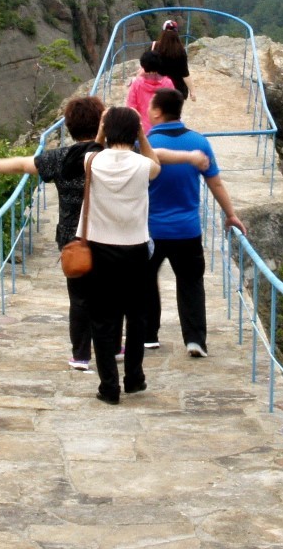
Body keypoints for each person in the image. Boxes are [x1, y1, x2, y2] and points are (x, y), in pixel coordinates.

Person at [0, 94, 105, 370]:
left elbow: (21, 164)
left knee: (79, 298)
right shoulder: (111, 156)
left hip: (71, 236)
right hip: (108, 234)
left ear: (69, 127)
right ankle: (112, 346)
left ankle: (81, 356)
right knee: (108, 293)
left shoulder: (58, 158)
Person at [78, 106, 205, 403]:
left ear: (107, 131)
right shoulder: (142, 165)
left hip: (99, 249)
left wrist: (101, 130)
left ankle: (109, 387)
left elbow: (92, 149)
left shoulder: (91, 161)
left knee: (102, 319)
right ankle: (134, 378)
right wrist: (141, 137)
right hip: (135, 250)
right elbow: (156, 163)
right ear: (135, 131)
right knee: (136, 316)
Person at [134, 87, 242, 358]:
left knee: (145, 280)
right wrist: (230, 214)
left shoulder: (143, 144)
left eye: (150, 106)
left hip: (150, 230)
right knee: (191, 282)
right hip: (187, 230)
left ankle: (148, 336)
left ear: (157, 112)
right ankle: (195, 340)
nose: (147, 109)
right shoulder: (199, 142)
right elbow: (214, 181)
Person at [143, 19, 191, 98]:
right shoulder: (181, 51)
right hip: (177, 90)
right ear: (176, 33)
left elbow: (146, 66)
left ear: (163, 32)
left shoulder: (155, 47)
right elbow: (185, 73)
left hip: (159, 88)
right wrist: (192, 91)